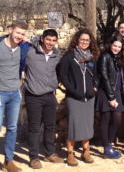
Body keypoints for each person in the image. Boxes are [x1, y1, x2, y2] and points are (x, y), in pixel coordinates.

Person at [60, 28, 99, 166]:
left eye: (87, 40)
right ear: (77, 40)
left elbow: (95, 74)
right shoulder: (69, 56)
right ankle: (70, 153)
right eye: (82, 39)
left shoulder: (92, 56)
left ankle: (85, 151)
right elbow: (62, 75)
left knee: (87, 124)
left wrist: (94, 86)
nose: (84, 42)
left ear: (91, 42)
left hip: (89, 97)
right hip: (74, 97)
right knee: (73, 125)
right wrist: (71, 89)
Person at [24, 29, 63, 169]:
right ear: (42, 38)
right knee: (34, 128)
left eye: (53, 40)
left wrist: (55, 84)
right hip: (33, 96)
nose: (50, 43)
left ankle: (49, 153)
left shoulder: (56, 54)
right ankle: (34, 157)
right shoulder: (29, 52)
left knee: (50, 126)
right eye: (48, 40)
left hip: (50, 96)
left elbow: (57, 71)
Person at [0, 20, 30, 172]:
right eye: (17, 32)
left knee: (12, 128)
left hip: (15, 93)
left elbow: (40, 45)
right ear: (10, 29)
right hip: (0, 93)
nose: (19, 36)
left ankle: (8, 161)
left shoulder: (23, 47)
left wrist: (27, 41)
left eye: (22, 34)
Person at [97, 35, 124, 159]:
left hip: (117, 92)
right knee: (105, 119)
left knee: (117, 119)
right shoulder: (104, 57)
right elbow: (105, 77)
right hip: (106, 92)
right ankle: (107, 148)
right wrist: (111, 97)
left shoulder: (117, 57)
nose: (117, 48)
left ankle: (109, 144)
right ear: (110, 44)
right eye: (115, 45)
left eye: (119, 46)